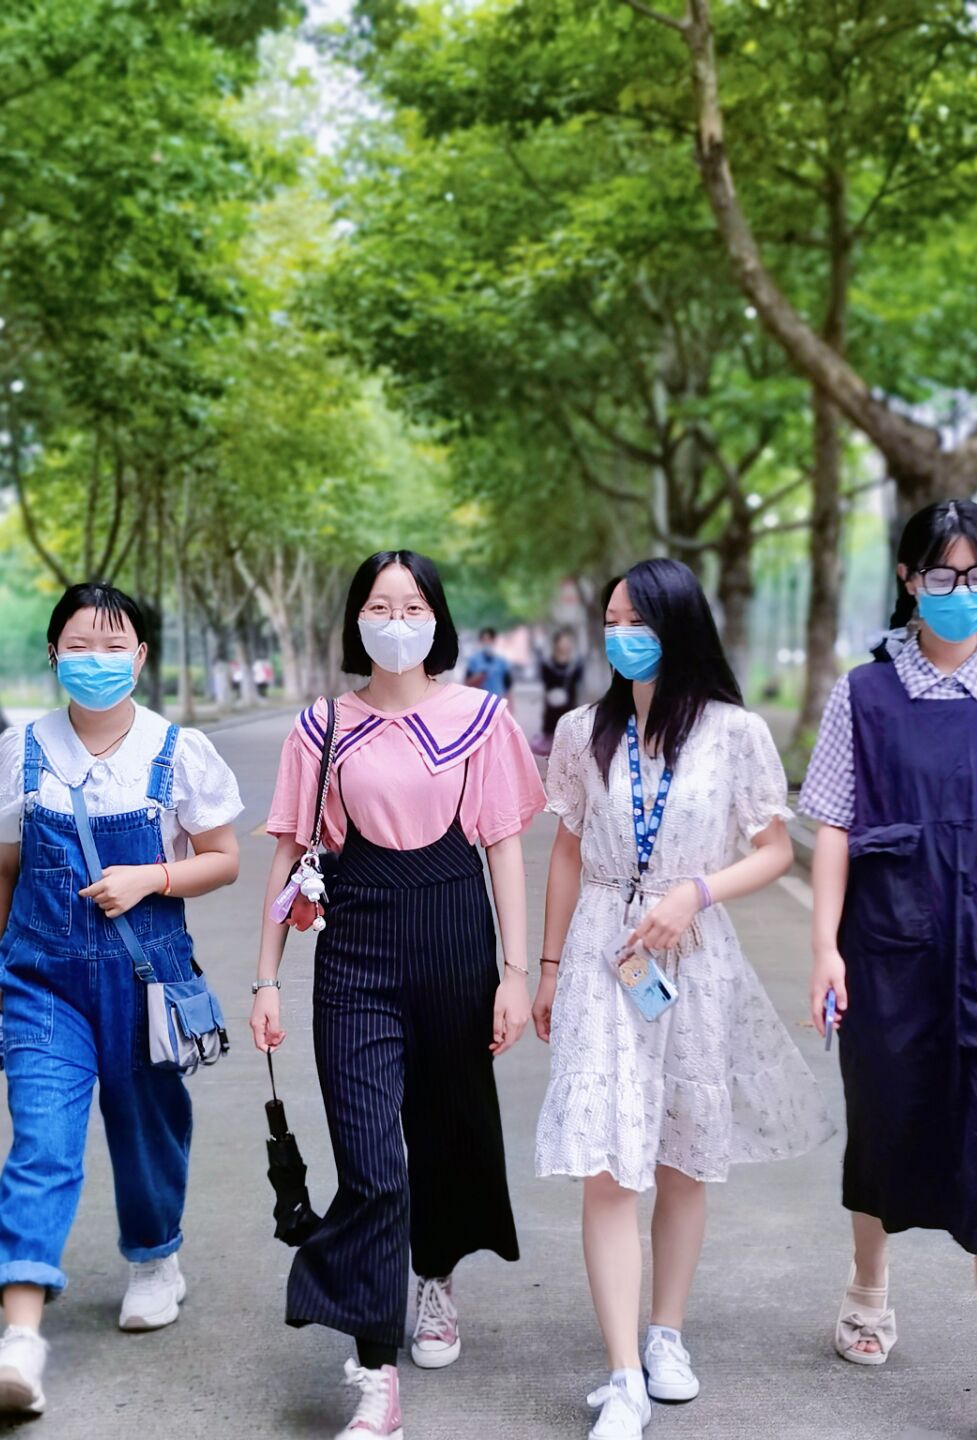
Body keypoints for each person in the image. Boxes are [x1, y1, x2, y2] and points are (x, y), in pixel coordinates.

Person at [532, 558, 835, 1440]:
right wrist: (546, 967)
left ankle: (666, 1334)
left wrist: (695, 894)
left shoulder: (734, 733)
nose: (621, 635)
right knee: (604, 1159)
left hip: (691, 956)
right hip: (603, 951)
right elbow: (565, 851)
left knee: (680, 1152)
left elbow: (774, 851)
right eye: (612, 619)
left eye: (639, 620)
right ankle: (623, 1374)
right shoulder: (582, 730)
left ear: (680, 626)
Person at [250, 550, 544, 1440]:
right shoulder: (321, 728)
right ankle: (376, 1375)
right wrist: (267, 978)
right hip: (356, 952)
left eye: (414, 606)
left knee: (448, 1134)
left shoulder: (481, 719)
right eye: (380, 606)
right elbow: (289, 853)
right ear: (356, 620)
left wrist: (517, 973)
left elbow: (504, 847)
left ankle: (435, 1279)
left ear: (437, 619)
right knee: (373, 1165)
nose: (397, 621)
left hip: (457, 940)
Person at [800, 500, 977, 1440]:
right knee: (886, 1123)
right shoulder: (862, 695)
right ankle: (869, 1285)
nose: (964, 592)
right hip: (889, 945)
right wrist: (824, 945)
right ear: (910, 580)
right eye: (945, 575)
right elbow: (833, 825)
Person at [0, 581, 244, 1416]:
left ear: (141, 656)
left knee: (146, 1128)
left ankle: (155, 1258)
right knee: (42, 1143)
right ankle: (20, 1340)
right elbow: (4, 869)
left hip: (145, 977)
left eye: (114, 645)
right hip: (41, 983)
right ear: (53, 654)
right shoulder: (22, 750)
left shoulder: (178, 751)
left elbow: (224, 858)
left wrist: (151, 878)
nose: (97, 660)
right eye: (80, 646)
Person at [537, 628, 585, 755]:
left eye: (568, 641)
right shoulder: (547, 663)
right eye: (563, 641)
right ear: (556, 643)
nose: (566, 644)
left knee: (570, 740)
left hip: (570, 706)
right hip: (552, 707)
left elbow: (578, 682)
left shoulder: (576, 664)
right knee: (551, 741)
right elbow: (546, 682)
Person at [464, 626, 514, 697]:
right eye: (484, 640)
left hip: (497, 698)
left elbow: (507, 686)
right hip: (479, 699)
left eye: (489, 639)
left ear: (494, 640)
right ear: (480, 641)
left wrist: (509, 701)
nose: (487, 642)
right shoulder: (473, 660)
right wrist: (479, 677)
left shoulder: (501, 661)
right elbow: (467, 682)